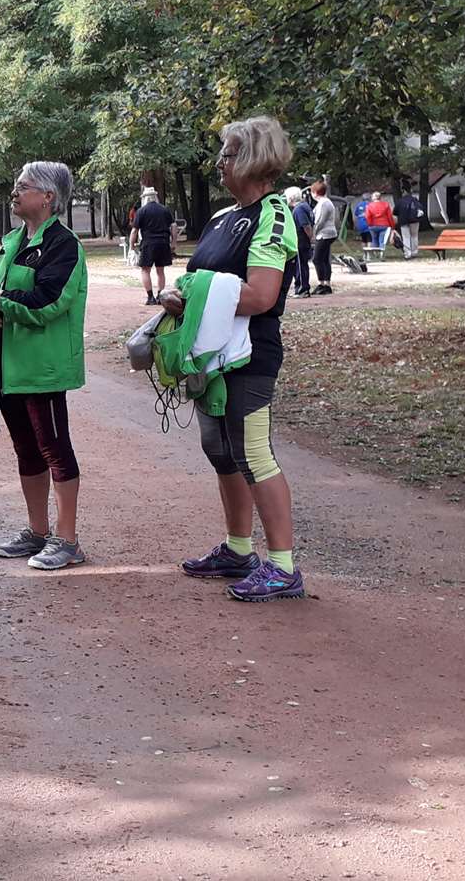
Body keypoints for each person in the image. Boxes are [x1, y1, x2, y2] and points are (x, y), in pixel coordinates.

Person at [160, 116, 304, 601]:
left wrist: (196, 296)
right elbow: (197, 278)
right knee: (220, 450)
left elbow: (261, 295)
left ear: (252, 159)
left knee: (253, 452)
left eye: (228, 154)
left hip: (250, 356)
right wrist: (179, 297)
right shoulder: (223, 218)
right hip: (209, 355)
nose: (219, 163)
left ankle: (283, 567)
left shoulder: (274, 215)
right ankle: (238, 549)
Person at [0, 161, 90, 571]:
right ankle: (37, 531)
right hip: (9, 366)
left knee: (55, 449)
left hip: (43, 367)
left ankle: (68, 540)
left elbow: (48, 301)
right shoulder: (13, 240)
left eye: (22, 186)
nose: (14, 191)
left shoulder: (63, 245)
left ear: (47, 197)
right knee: (26, 450)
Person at [130, 188, 175, 304]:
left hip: (148, 243)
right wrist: (174, 242)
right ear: (155, 197)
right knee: (160, 270)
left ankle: (150, 297)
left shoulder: (141, 211)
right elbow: (173, 226)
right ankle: (160, 296)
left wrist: (131, 245)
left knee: (145, 270)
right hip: (163, 243)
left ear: (145, 198)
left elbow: (134, 230)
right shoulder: (164, 210)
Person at [284, 187, 314, 298]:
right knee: (301, 265)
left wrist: (311, 238)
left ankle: (302, 289)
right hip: (302, 241)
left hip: (300, 241)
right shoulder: (305, 206)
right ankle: (301, 288)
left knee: (300, 266)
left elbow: (305, 225)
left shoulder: (299, 209)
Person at [309, 181, 337, 295]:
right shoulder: (324, 202)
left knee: (317, 259)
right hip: (327, 233)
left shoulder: (323, 203)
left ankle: (322, 283)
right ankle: (326, 284)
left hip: (325, 234)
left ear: (315, 192)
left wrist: (313, 233)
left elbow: (319, 220)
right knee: (324, 259)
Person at [394, 187, 425, 259]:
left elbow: (395, 211)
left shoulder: (400, 201)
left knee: (406, 237)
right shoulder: (415, 200)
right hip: (414, 221)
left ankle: (408, 253)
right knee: (414, 236)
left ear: (404, 191)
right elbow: (421, 209)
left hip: (403, 221)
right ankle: (414, 252)